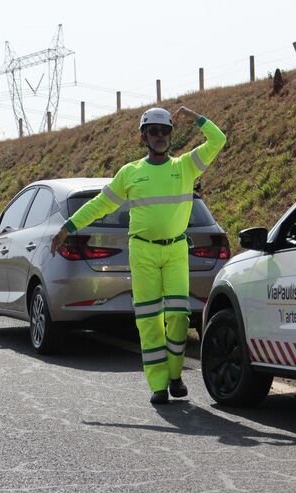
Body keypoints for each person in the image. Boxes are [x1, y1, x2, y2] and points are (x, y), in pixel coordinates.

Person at [50, 106, 226, 404]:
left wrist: (196, 117)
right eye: (153, 131)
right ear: (144, 136)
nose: (160, 136)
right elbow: (101, 204)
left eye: (165, 130)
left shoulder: (185, 166)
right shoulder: (130, 173)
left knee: (178, 317)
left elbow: (218, 140)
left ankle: (175, 375)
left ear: (171, 134)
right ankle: (158, 384)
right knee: (148, 318)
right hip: (142, 251)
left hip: (176, 251)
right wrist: (68, 227)